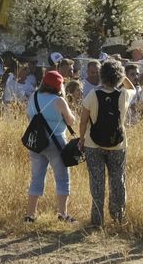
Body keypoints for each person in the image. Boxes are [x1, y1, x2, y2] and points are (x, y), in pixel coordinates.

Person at [79, 60, 135, 227]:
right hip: (117, 145)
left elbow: (83, 121)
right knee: (118, 181)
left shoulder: (92, 95)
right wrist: (121, 75)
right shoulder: (123, 95)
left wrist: (82, 139)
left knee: (97, 183)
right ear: (118, 77)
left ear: (102, 76)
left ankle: (97, 221)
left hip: (93, 144)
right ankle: (118, 217)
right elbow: (132, 87)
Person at [25, 70, 80, 224]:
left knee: (37, 177)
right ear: (59, 86)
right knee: (62, 178)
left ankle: (30, 214)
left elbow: (29, 116)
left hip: (36, 142)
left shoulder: (34, 96)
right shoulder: (59, 101)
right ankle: (63, 214)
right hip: (56, 142)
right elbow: (70, 121)